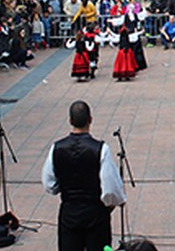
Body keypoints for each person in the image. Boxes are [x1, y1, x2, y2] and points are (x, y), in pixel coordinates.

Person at [41, 100, 126, 251]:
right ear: (90, 120)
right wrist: (113, 203)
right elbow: (110, 188)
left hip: (69, 212)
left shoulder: (56, 148)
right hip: (95, 214)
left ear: (70, 121)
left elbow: (49, 183)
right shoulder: (101, 149)